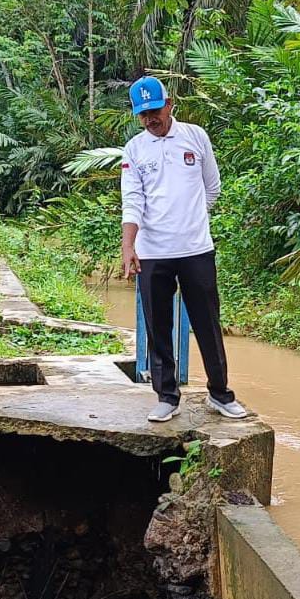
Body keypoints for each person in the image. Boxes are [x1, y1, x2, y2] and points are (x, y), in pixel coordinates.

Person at [120, 76, 248, 423]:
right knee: (158, 326)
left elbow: (212, 187)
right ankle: (166, 396)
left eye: (155, 110)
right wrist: (128, 245)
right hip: (152, 252)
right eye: (143, 114)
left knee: (207, 323)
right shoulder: (134, 149)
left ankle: (220, 394)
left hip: (195, 250)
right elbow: (132, 200)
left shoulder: (195, 137)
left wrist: (190, 221)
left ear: (170, 103)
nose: (150, 119)